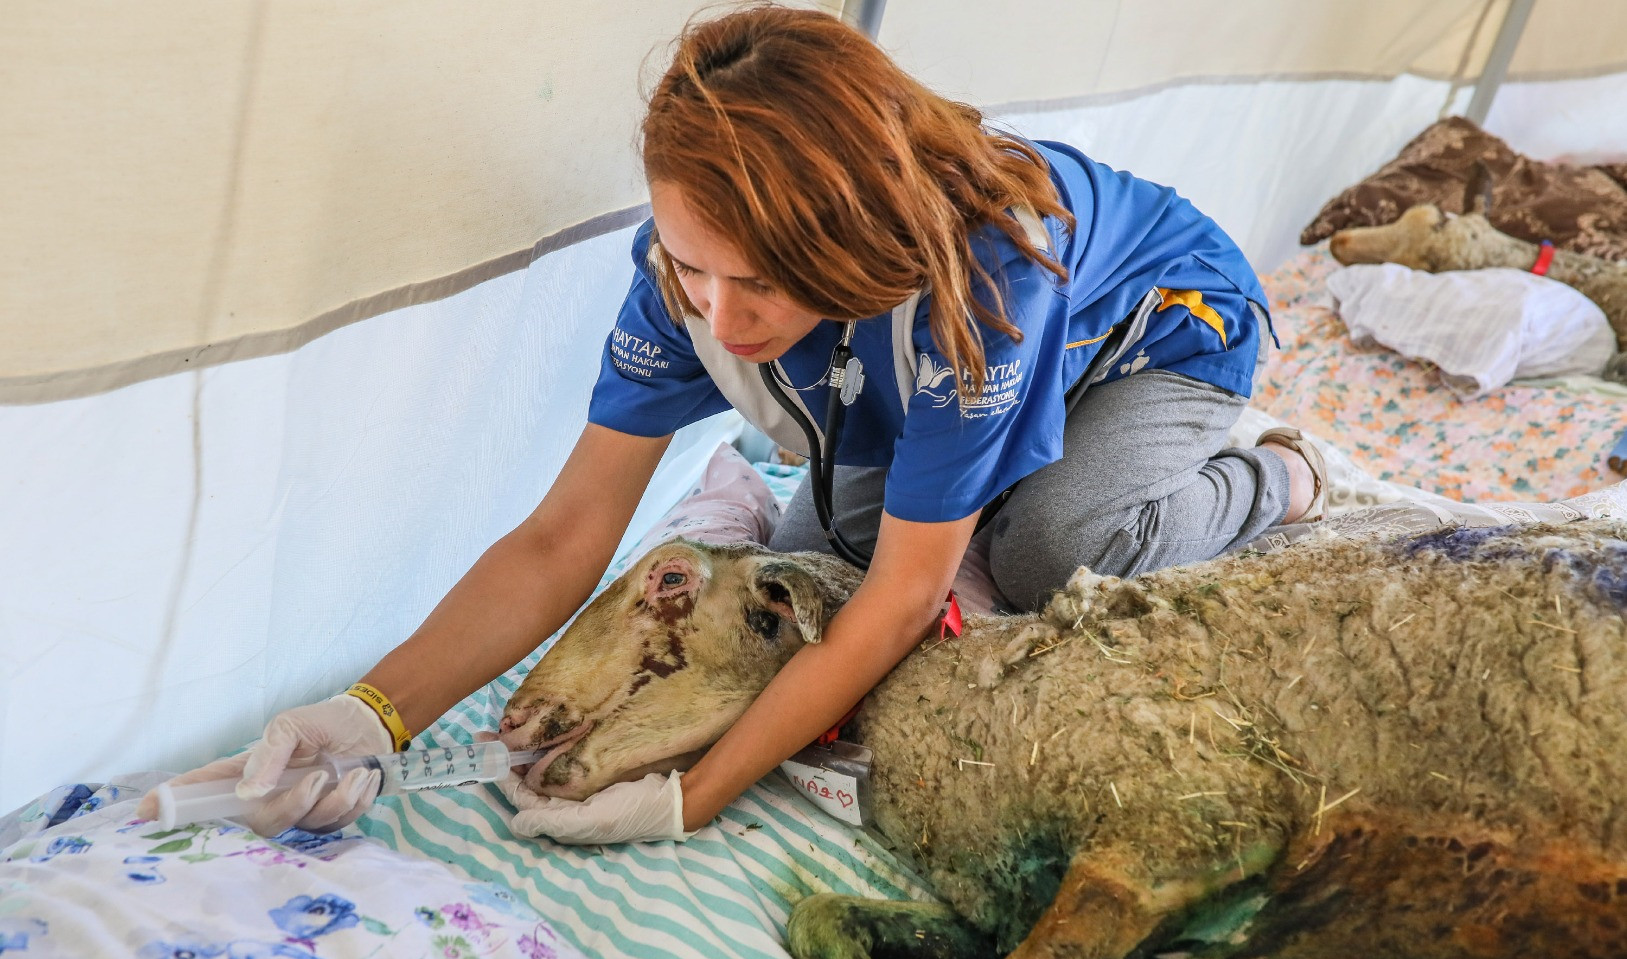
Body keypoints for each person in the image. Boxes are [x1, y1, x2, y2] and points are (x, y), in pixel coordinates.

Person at [141, 4, 1325, 844]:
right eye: (691, 266)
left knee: (1045, 550)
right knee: (821, 566)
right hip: (949, 364)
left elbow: (908, 603)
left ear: (851, 246)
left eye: (758, 282)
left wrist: (691, 797)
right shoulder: (682, 277)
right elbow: (564, 534)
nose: (718, 313)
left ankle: (1278, 478)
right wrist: (371, 713)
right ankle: (988, 463)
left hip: (1152, 336)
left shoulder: (989, 293)